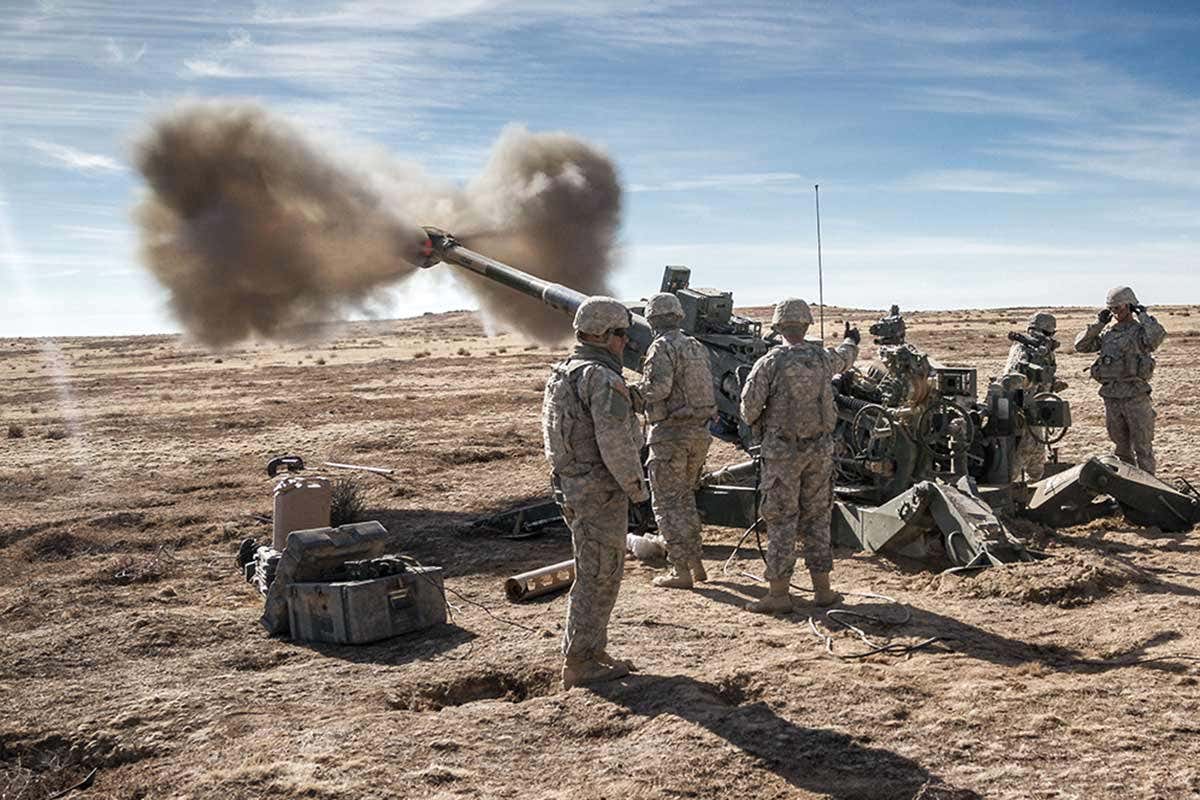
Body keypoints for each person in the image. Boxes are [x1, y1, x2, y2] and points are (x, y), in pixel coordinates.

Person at [542, 296, 650, 688]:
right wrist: (639, 491)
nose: (626, 342)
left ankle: (591, 649)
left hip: (576, 486)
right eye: (622, 334)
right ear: (605, 335)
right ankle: (579, 661)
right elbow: (615, 442)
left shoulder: (566, 371)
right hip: (598, 490)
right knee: (599, 574)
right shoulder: (601, 378)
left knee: (598, 569)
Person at [739, 299, 858, 613]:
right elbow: (846, 358)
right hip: (820, 451)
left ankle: (778, 595)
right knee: (818, 518)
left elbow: (748, 409)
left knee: (781, 520)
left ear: (778, 326)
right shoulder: (822, 358)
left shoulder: (769, 363)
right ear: (806, 325)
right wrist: (851, 340)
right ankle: (823, 590)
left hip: (782, 456)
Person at [630, 293, 717, 590]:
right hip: (699, 435)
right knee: (685, 500)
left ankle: (680, 570)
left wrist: (632, 392)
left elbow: (659, 389)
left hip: (670, 436)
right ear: (679, 316)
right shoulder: (695, 347)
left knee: (667, 504)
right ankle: (697, 564)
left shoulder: (661, 347)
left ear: (652, 320)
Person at [1074, 286, 1166, 474]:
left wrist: (1144, 315)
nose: (1116, 313)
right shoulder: (1108, 333)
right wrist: (1098, 324)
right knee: (1121, 450)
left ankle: (1148, 492)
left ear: (1130, 306)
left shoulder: (1140, 332)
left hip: (1136, 396)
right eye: (1112, 309)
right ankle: (1128, 491)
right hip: (1112, 397)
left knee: (1143, 449)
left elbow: (1156, 338)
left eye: (1120, 308)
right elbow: (1081, 345)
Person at [1004, 311, 1064, 481]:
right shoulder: (1021, 348)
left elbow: (1047, 375)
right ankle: (1009, 488)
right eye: (1047, 333)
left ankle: (1035, 486)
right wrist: (1029, 380)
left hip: (1040, 408)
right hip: (1022, 408)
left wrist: (1053, 384)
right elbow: (1011, 378)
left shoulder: (1046, 352)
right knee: (1021, 453)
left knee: (1037, 454)